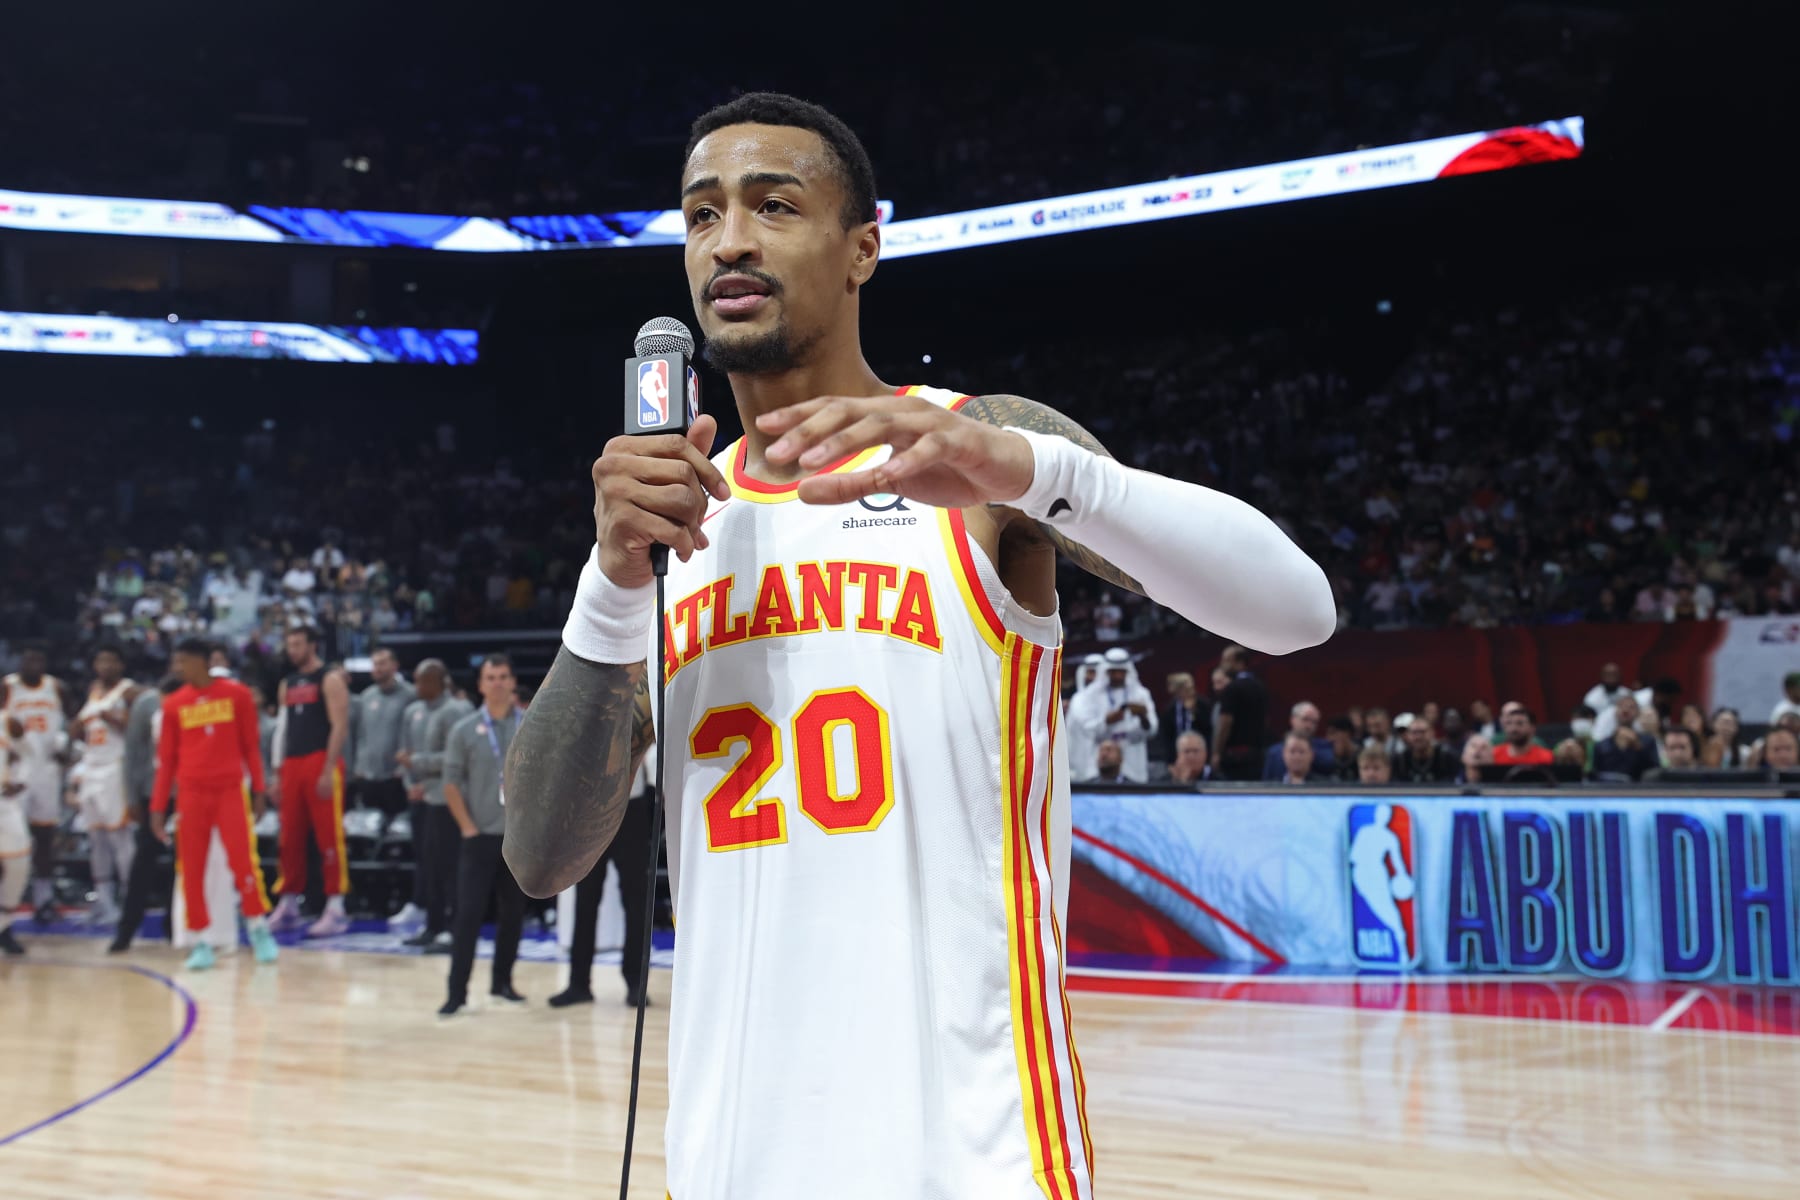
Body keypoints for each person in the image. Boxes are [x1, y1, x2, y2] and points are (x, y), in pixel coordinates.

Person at [501, 92, 1334, 1198]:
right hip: (732, 1161)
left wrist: (1033, 470)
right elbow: (539, 855)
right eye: (701, 215)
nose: (729, 239)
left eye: (773, 205)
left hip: (973, 1153)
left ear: (863, 249)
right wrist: (607, 585)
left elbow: (1296, 612)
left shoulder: (979, 446)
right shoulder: (660, 536)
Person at [149, 638, 279, 971]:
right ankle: (201, 940)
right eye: (177, 662)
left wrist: (260, 790)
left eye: (185, 661)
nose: (180, 668)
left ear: (204, 662)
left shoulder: (237, 695)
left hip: (229, 790)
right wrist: (158, 807)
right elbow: (166, 761)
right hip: (191, 794)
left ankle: (258, 928)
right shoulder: (174, 704)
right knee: (191, 867)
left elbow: (251, 747)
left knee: (242, 861)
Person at [441, 654, 529, 1016]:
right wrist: (468, 828)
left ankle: (502, 983)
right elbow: (450, 783)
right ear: (480, 685)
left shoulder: (530, 725)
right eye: (490, 677)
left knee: (514, 914)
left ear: (512, 683)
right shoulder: (464, 730)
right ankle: (456, 993)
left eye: (503, 676)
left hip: (518, 840)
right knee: (468, 916)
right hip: (479, 837)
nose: (496, 683)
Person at [550, 750, 655, 1009]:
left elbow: (650, 746)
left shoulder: (634, 710)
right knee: (585, 901)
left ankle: (636, 984)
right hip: (591, 811)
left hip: (631, 808)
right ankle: (578, 984)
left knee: (636, 901)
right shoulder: (584, 713)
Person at [270, 626, 352, 937]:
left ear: (312, 645)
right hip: (291, 763)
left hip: (320, 760)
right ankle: (289, 902)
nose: (292, 650)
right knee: (288, 837)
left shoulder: (329, 678)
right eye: (289, 644)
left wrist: (328, 767)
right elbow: (281, 729)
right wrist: (277, 772)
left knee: (329, 836)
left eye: (297, 644)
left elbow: (339, 725)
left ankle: (336, 906)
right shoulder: (287, 683)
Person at [400, 663, 473, 952]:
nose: (416, 686)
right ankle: (433, 926)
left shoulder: (455, 711)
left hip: (447, 800)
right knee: (429, 866)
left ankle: (454, 929)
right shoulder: (415, 711)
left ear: (438, 681)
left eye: (421, 681)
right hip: (424, 797)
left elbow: (456, 758)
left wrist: (418, 764)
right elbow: (405, 752)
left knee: (448, 868)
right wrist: (412, 783)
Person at [2, 641, 71, 922]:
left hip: (46, 770)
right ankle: (8, 904)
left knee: (44, 837)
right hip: (14, 772)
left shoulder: (57, 687)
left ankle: (43, 900)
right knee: (9, 841)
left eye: (38, 660)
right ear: (19, 662)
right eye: (28, 660)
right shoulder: (7, 687)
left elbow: (71, 721)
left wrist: (66, 746)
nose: (33, 665)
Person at [110, 673, 178, 953]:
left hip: (187, 794)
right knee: (142, 864)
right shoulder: (146, 704)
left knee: (183, 865)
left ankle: (174, 927)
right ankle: (126, 930)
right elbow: (133, 752)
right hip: (153, 794)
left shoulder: (197, 703)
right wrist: (133, 797)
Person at [74, 645, 140, 925]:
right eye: (101, 659)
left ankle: (129, 900)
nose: (105, 665)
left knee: (120, 837)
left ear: (121, 665)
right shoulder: (93, 690)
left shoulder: (129, 691)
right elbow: (78, 728)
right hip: (91, 767)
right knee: (96, 839)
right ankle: (104, 902)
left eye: (111, 659)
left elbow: (139, 730)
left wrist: (113, 718)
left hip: (116, 767)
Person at [1069, 646, 1158, 783]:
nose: (1117, 676)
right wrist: (1106, 721)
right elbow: (1086, 730)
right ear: (1105, 671)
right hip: (1101, 759)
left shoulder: (1141, 694)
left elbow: (1152, 730)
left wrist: (1143, 717)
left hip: (1133, 759)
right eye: (1113, 672)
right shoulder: (1091, 695)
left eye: (1121, 672)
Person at [347, 648, 415, 824]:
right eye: (375, 664)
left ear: (395, 666)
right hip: (368, 775)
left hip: (396, 775)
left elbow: (412, 734)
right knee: (369, 827)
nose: (377, 668)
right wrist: (359, 765)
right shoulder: (367, 696)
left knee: (397, 829)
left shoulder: (410, 695)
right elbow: (361, 734)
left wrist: (404, 769)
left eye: (382, 663)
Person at [1212, 644, 1271, 781]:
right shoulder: (1260, 686)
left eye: (1226, 660)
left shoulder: (1232, 688)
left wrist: (1217, 753)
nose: (1222, 665)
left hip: (1234, 758)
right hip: (1257, 756)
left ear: (1239, 662)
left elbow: (1225, 722)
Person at [1, 720, 30, 954]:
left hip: (4, 802)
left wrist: (20, 779)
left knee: (18, 865)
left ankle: (4, 923)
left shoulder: (7, 721)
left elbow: (26, 753)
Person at [1261, 700, 1333, 781]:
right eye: (1305, 719)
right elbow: (1267, 783)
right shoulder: (1274, 752)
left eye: (1314, 722)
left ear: (1312, 754)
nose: (1309, 726)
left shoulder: (1326, 748)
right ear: (1293, 720)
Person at [1063, 653, 1106, 777]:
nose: (1089, 677)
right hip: (1077, 762)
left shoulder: (1109, 699)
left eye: (1093, 672)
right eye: (1088, 672)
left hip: (1102, 764)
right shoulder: (1078, 699)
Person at [1389, 718, 1460, 783]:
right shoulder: (1400, 760)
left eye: (1422, 732)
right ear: (1408, 735)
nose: (1418, 737)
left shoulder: (1447, 757)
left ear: (1432, 733)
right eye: (1414, 732)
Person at [1157, 672, 1205, 762]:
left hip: (1199, 753)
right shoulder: (1169, 710)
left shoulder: (1203, 705)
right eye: (1186, 689)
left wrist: (1194, 712)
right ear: (1178, 691)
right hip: (1177, 755)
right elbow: (1166, 737)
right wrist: (1170, 760)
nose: (1191, 692)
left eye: (1192, 688)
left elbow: (1208, 730)